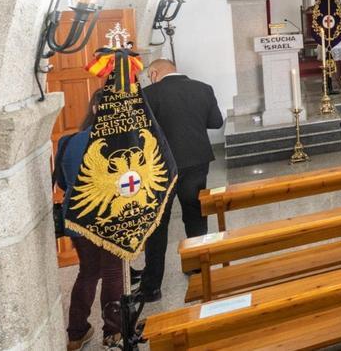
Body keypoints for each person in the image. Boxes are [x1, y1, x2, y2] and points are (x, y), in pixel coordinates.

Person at [135, 59, 224, 302]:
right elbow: (216, 122)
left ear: (154, 73)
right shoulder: (203, 88)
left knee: (158, 224)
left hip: (161, 166)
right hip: (197, 161)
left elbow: (140, 132)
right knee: (195, 214)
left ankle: (152, 286)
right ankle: (195, 266)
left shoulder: (148, 94)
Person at [56, 89, 124, 350]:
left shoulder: (69, 141)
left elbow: (62, 183)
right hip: (111, 215)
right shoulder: (122, 143)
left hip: (77, 217)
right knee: (112, 271)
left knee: (87, 272)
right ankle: (113, 333)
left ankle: (76, 332)